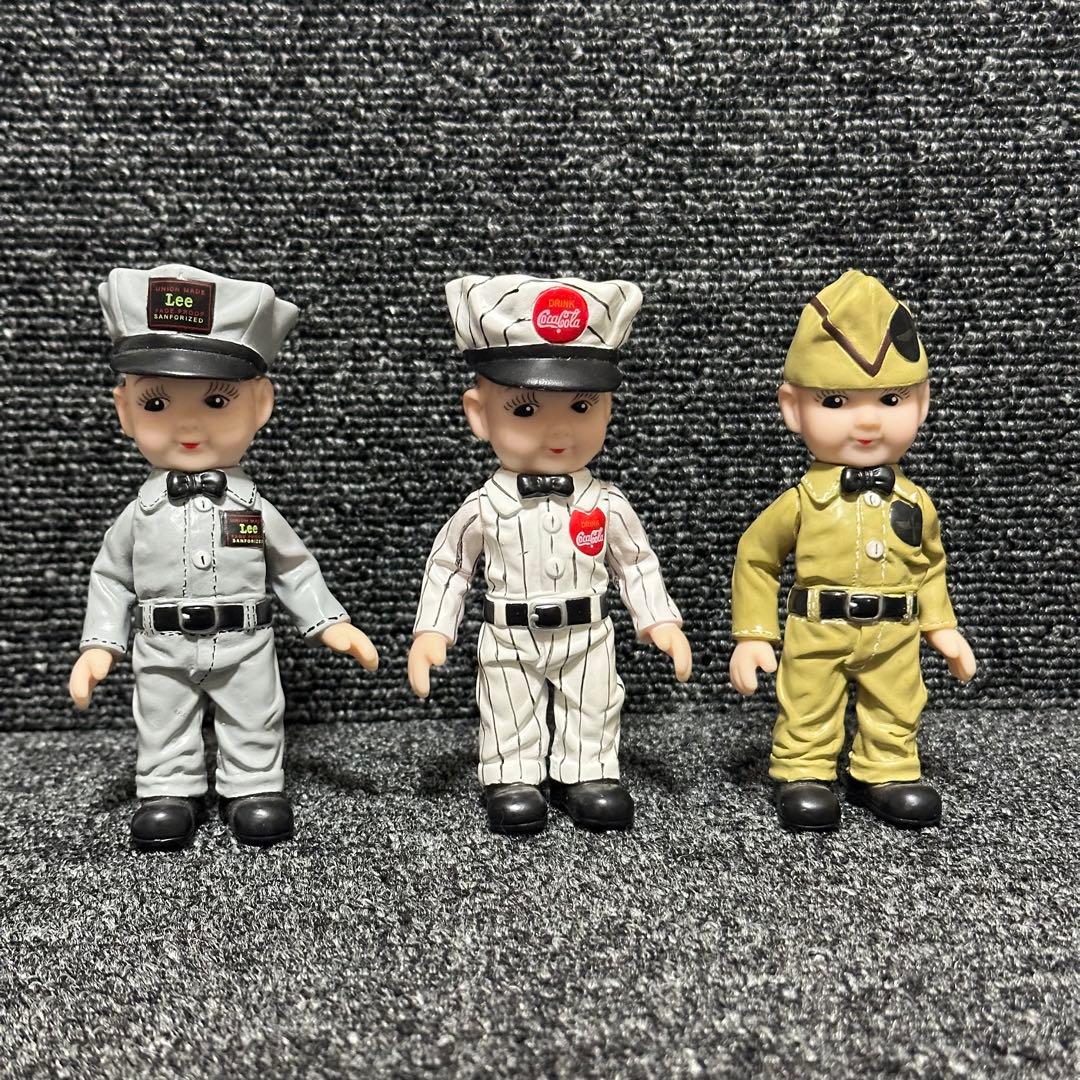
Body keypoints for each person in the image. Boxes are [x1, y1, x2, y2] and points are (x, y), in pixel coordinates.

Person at [70, 264, 379, 850]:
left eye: (217, 400)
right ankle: (168, 789)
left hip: (245, 643)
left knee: (253, 714)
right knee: (162, 719)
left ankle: (254, 785)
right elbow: (110, 577)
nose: (188, 423)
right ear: (125, 411)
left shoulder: (253, 509)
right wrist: (99, 645)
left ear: (260, 404)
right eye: (156, 402)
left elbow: (293, 567)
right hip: (161, 646)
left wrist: (330, 622)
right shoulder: (140, 515)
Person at [409, 274, 692, 835]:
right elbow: (449, 566)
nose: (559, 429)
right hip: (509, 634)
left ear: (608, 410)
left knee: (595, 703)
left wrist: (660, 620)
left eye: (582, 405)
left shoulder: (607, 503)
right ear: (479, 415)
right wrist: (432, 632)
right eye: (524, 410)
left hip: (587, 631)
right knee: (507, 705)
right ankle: (512, 776)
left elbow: (636, 563)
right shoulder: (483, 506)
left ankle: (588, 772)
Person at [729, 269, 976, 832]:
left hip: (896, 632)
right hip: (819, 628)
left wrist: (942, 628)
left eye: (890, 399)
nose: (867, 420)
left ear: (922, 403)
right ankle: (805, 771)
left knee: (897, 703)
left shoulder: (916, 501)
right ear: (793, 409)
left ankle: (886, 770)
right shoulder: (801, 502)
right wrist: (754, 635)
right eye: (836, 401)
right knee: (808, 701)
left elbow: (930, 565)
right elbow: (757, 557)